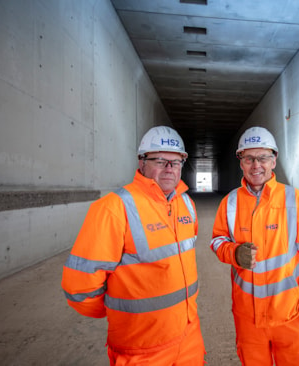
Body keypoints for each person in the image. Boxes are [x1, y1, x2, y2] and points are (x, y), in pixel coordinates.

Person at [62, 126, 205, 365]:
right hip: (142, 348)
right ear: (142, 162)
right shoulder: (114, 208)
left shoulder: (186, 204)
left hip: (189, 337)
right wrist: (121, 314)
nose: (169, 168)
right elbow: (79, 286)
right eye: (160, 160)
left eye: (176, 161)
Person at [210, 126, 299, 365]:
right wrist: (233, 252)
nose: (256, 165)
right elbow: (217, 240)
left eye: (263, 157)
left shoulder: (294, 200)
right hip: (248, 319)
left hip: (291, 315)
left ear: (274, 161)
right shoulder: (229, 202)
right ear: (240, 162)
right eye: (249, 158)